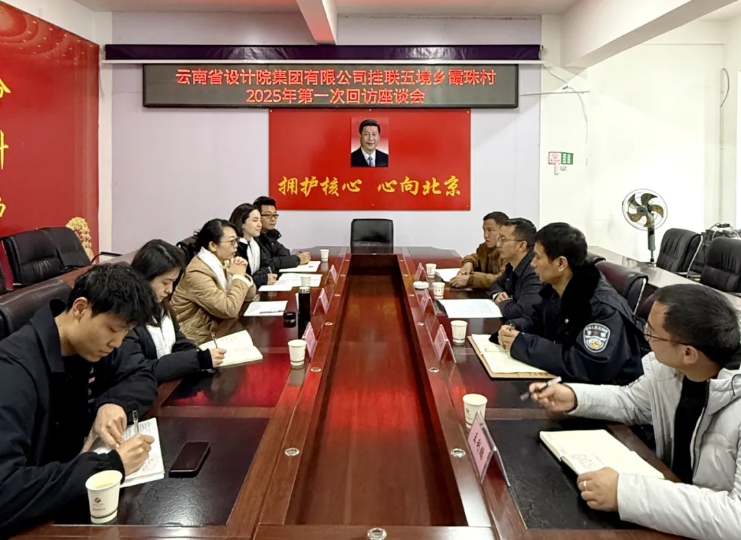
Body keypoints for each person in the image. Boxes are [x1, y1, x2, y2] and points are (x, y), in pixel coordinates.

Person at [529, 284, 741, 540]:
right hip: (672, 509)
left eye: (652, 333)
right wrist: (575, 397)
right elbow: (632, 401)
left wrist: (625, 493)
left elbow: (735, 518)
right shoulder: (673, 371)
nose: (645, 338)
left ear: (688, 352)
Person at [0, 264, 161, 537]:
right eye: (113, 329)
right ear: (80, 308)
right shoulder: (13, 371)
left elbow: (142, 374)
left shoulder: (91, 344)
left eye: (125, 333)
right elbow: (5, 491)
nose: (117, 343)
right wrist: (109, 466)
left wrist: (114, 403)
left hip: (71, 498)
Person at [495, 222, 644, 384]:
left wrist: (523, 344)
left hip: (608, 389)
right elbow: (539, 320)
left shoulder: (602, 308)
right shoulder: (556, 286)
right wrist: (515, 326)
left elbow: (585, 364)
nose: (533, 264)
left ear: (561, 263)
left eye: (538, 257)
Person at [123, 240, 226, 384]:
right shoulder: (126, 318)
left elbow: (178, 340)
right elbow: (141, 370)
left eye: (173, 282)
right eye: (165, 283)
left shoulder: (162, 306)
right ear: (144, 278)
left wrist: (196, 354)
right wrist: (196, 360)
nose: (170, 290)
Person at [171, 219, 256, 345]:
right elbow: (229, 309)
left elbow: (250, 296)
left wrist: (241, 275)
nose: (236, 245)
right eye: (231, 241)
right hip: (196, 340)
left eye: (237, 240)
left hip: (220, 329)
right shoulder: (197, 272)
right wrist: (238, 277)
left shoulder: (224, 261)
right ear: (213, 246)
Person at [489, 218, 542, 320]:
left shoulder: (534, 271)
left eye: (503, 239)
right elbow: (496, 283)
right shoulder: (512, 264)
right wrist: (498, 294)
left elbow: (520, 312)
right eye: (498, 239)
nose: (498, 244)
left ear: (521, 245)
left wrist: (503, 302)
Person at [451, 211, 508, 290]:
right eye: (484, 230)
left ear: (502, 232)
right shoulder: (485, 248)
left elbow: (503, 279)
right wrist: (468, 263)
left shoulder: (510, 252)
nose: (485, 235)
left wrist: (471, 279)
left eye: (490, 230)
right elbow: (475, 257)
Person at [251, 197, 311, 271]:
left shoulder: (271, 234)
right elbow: (268, 263)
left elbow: (285, 253)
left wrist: (287, 260)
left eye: (275, 215)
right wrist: (298, 259)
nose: (273, 219)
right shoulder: (253, 237)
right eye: (268, 215)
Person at [229, 204, 277, 288]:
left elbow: (268, 266)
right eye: (255, 220)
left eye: (260, 220)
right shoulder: (234, 246)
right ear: (242, 223)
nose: (260, 225)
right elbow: (241, 279)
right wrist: (262, 279)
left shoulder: (255, 242)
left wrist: (257, 276)